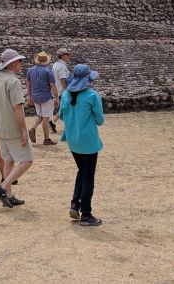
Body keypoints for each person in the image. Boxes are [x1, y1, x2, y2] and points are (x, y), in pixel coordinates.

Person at [59, 64, 105, 226]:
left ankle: (75, 203)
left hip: (73, 140)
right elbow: (100, 120)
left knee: (82, 171)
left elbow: (62, 117)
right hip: (89, 141)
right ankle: (86, 213)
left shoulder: (65, 95)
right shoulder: (92, 96)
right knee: (88, 176)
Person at [0, 49, 33, 208]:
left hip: (0, 126)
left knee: (8, 160)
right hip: (12, 127)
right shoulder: (13, 81)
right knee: (27, 160)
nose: (21, 64)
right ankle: (3, 187)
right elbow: (17, 108)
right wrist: (23, 129)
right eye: (19, 61)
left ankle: (9, 194)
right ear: (13, 63)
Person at [25, 51, 59, 145]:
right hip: (46, 97)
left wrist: (29, 95)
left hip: (35, 96)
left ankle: (33, 128)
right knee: (46, 118)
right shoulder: (48, 71)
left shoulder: (30, 70)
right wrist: (56, 97)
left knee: (40, 115)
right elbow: (53, 86)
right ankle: (46, 139)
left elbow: (28, 83)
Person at [50, 48, 72, 131]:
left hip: (56, 89)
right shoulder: (62, 66)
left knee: (63, 107)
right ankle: (55, 122)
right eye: (67, 54)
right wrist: (68, 90)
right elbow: (63, 80)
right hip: (62, 90)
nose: (68, 56)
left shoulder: (55, 65)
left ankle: (53, 121)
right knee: (67, 108)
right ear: (62, 56)